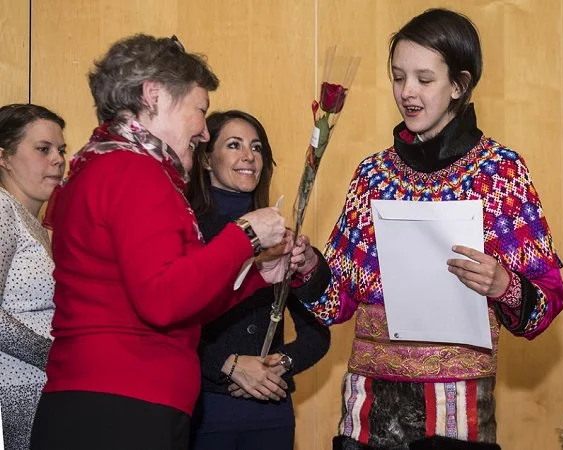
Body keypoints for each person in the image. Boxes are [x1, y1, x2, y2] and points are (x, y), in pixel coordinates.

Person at [299, 9, 563, 450]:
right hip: (366, 413)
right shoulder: (372, 175)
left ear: (459, 85)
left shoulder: (499, 173)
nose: (407, 92)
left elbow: (546, 304)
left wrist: (504, 285)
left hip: (457, 416)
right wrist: (307, 265)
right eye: (398, 77)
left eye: (424, 79)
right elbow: (335, 305)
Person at [29, 35, 302, 450]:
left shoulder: (102, 165)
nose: (204, 132)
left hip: (108, 401)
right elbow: (162, 300)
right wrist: (244, 235)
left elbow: (181, 299)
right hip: (122, 407)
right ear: (153, 96)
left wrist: (256, 274)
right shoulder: (133, 171)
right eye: (200, 110)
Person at [186, 110, 331, 450]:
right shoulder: (189, 231)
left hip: (271, 408)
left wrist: (282, 363)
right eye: (234, 145)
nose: (248, 156)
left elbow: (318, 330)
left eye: (257, 147)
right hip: (206, 406)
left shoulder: (279, 235)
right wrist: (227, 364)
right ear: (206, 160)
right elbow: (170, 320)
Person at [0, 103, 66, 450]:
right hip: (15, 392)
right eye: (43, 149)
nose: (57, 159)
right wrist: (57, 356)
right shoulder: (2, 208)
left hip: (40, 388)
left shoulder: (35, 225)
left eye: (60, 150)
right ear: (4, 158)